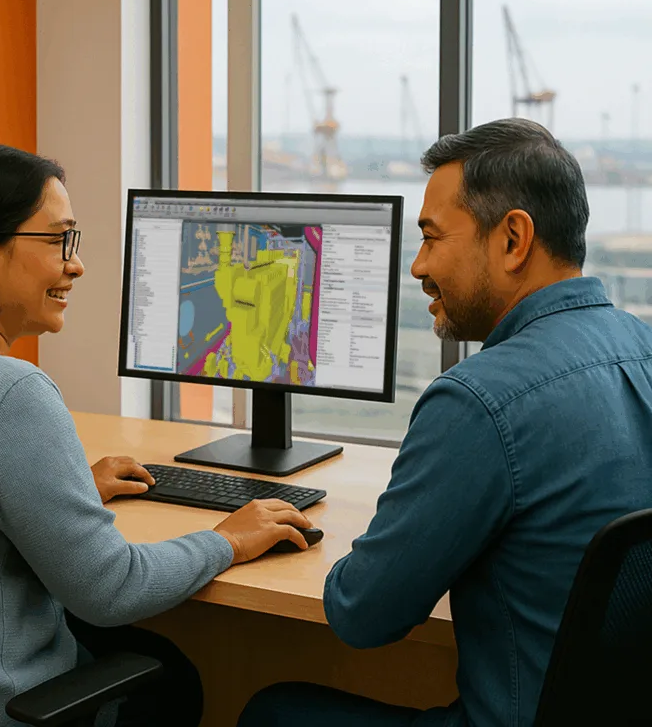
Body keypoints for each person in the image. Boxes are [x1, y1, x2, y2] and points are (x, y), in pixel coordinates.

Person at [0, 144, 315, 727]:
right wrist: (230, 539)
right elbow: (111, 589)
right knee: (172, 676)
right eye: (60, 240)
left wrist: (64, 490)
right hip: (0, 708)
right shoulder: (10, 392)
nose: (77, 265)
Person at [236, 117, 652, 726]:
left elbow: (362, 615)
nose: (418, 265)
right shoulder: (643, 348)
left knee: (271, 712)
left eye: (432, 237)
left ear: (513, 238)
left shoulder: (481, 400)